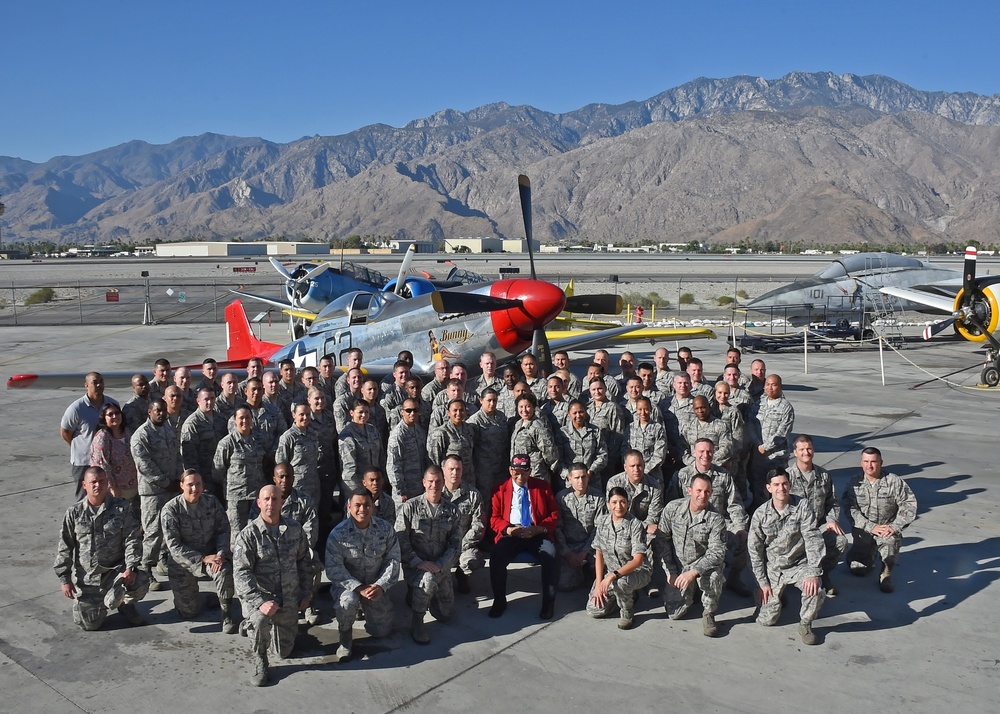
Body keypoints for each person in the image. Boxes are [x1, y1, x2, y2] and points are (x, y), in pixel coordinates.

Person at [233, 485, 313, 686]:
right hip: (261, 600)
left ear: (281, 502)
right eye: (266, 499)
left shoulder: (295, 530)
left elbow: (304, 562)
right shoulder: (248, 535)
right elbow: (241, 574)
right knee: (260, 621)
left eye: (275, 499)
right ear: (259, 503)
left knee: (284, 652)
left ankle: (266, 629)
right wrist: (260, 602)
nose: (271, 503)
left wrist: (306, 593)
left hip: (288, 600)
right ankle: (260, 659)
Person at [54, 466, 148, 630]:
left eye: (102, 481)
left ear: (107, 483)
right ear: (84, 485)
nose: (98, 485)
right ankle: (98, 603)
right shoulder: (74, 513)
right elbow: (65, 547)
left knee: (141, 581)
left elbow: (133, 539)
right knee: (90, 625)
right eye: (94, 482)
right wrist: (65, 579)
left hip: (116, 574)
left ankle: (125, 604)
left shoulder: (122, 508)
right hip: (89, 578)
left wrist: (131, 568)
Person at [748, 469, 826, 645]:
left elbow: (813, 538)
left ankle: (805, 624)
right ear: (769, 488)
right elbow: (754, 552)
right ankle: (773, 597)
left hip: (799, 564)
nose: (781, 488)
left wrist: (813, 572)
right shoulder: (760, 514)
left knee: (815, 589)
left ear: (790, 485)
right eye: (776, 485)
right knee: (767, 621)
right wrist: (763, 583)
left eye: (784, 484)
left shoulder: (803, 506)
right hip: (773, 568)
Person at [325, 487, 402, 662]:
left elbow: (393, 560)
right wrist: (358, 587)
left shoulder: (385, 529)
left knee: (382, 632)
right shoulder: (338, 534)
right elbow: (333, 568)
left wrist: (381, 585)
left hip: (375, 586)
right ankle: (345, 637)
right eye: (357, 505)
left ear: (373, 507)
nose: (362, 509)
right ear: (349, 507)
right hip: (349, 588)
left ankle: (368, 611)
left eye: (367, 505)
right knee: (348, 602)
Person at [668, 438, 750, 597]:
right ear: (694, 452)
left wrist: (740, 527)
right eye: (701, 451)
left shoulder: (723, 475)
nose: (705, 455)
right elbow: (671, 505)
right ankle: (688, 578)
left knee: (745, 540)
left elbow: (735, 504)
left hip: (719, 523)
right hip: (688, 525)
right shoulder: (682, 475)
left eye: (709, 451)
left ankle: (734, 578)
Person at [160, 469, 236, 633]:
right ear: (181, 486)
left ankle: (227, 614)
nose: (194, 489)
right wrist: (203, 558)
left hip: (211, 556)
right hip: (183, 563)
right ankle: (201, 598)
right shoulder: (170, 510)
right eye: (190, 485)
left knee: (224, 570)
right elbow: (174, 547)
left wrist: (221, 553)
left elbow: (223, 530)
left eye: (198, 484)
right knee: (188, 612)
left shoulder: (212, 502)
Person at [395, 466, 463, 644]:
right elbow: (400, 539)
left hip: (440, 567)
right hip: (415, 566)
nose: (434, 486)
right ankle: (417, 620)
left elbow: (456, 545)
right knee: (427, 581)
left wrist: (441, 565)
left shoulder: (452, 510)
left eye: (438, 482)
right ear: (424, 483)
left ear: (443, 483)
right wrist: (417, 562)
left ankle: (423, 595)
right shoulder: (410, 507)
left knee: (445, 615)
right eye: (430, 482)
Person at [488, 454, 560, 620]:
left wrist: (540, 528)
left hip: (536, 532)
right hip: (512, 533)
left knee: (550, 555)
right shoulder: (499, 490)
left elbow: (554, 513)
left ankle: (548, 604)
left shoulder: (542, 487)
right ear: (510, 470)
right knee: (497, 556)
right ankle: (499, 601)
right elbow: (494, 518)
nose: (520, 477)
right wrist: (508, 530)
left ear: (530, 471)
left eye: (524, 473)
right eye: (516, 473)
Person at [842, 447, 917, 593]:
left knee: (890, 542)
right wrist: (869, 526)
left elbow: (909, 505)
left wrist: (894, 527)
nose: (869, 466)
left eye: (874, 462)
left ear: (881, 462)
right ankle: (869, 555)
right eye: (866, 461)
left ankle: (886, 573)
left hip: (885, 529)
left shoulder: (894, 481)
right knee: (858, 570)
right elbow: (850, 509)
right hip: (864, 531)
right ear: (861, 463)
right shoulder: (854, 483)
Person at [659, 473, 726, 636]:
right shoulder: (672, 509)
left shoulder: (716, 518)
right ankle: (691, 591)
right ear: (689, 490)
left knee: (713, 578)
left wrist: (694, 572)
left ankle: (708, 613)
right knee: (674, 614)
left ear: (711, 493)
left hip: (702, 567)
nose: (702, 495)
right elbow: (662, 541)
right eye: (698, 490)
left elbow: (717, 552)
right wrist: (671, 571)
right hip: (679, 566)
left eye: (707, 492)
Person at [787, 434, 847, 595]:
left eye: (809, 448)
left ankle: (822, 574)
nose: (806, 452)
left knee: (840, 540)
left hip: (818, 527)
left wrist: (832, 520)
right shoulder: (787, 477)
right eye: (801, 449)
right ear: (795, 452)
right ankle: (784, 579)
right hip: (794, 530)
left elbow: (832, 502)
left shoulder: (824, 475)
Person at [132, 398, 181, 590]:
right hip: (153, 492)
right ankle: (145, 570)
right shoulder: (141, 436)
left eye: (163, 410)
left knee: (170, 528)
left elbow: (177, 455)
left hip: (171, 488)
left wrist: (178, 479)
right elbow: (144, 464)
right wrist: (165, 482)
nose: (161, 413)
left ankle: (164, 561)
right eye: (157, 410)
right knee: (152, 531)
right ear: (149, 412)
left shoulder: (168, 430)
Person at [586, 486, 651, 630]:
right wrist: (598, 584)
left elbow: (638, 560)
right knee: (594, 610)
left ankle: (627, 612)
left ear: (627, 504)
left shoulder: (635, 525)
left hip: (637, 572)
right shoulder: (602, 522)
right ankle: (625, 596)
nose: (618, 506)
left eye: (622, 502)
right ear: (608, 504)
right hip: (611, 573)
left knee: (621, 583)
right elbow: (599, 553)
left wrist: (611, 577)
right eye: (614, 502)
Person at [61, 372, 119, 500]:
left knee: (108, 498)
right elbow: (65, 432)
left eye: (101, 381)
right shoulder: (76, 408)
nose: (99, 385)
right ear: (86, 385)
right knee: (83, 499)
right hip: (83, 463)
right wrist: (79, 448)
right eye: (94, 382)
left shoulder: (112, 405)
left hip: (106, 462)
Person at [213, 405, 267, 540]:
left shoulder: (258, 439)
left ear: (252, 420)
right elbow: (218, 470)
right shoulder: (227, 443)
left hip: (256, 496)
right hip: (236, 498)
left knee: (257, 532)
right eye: (241, 418)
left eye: (247, 417)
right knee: (236, 535)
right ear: (235, 420)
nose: (244, 421)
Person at [555, 463, 606, 591]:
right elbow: (557, 528)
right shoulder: (561, 498)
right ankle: (578, 572)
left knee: (601, 576)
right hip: (570, 546)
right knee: (564, 585)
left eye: (583, 477)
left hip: (592, 546)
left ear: (588, 477)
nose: (581, 481)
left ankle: (588, 570)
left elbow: (599, 529)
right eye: (576, 478)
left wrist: (585, 551)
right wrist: (567, 553)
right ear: (569, 479)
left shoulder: (598, 497)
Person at [441, 454, 486, 593]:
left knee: (473, 561)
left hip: (463, 544)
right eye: (451, 469)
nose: (455, 473)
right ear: (443, 470)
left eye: (458, 469)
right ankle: (442, 579)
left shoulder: (473, 494)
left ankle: (462, 575)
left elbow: (479, 524)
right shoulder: (435, 492)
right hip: (438, 545)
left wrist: (461, 545)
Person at [748, 374, 794, 510]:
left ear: (780, 387)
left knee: (778, 490)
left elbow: (783, 432)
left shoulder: (786, 408)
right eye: (767, 384)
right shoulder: (758, 404)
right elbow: (750, 424)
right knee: (758, 489)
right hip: (758, 457)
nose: (770, 387)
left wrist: (767, 447)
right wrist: (758, 444)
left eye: (774, 385)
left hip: (776, 458)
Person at [89, 402, 138, 512]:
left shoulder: (127, 432)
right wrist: (112, 487)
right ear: (104, 418)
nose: (115, 416)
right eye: (110, 414)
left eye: (117, 413)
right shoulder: (102, 437)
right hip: (115, 491)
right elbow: (102, 465)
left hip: (133, 486)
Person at [180, 387, 228, 497]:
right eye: (206, 399)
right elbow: (189, 457)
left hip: (221, 475)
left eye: (212, 398)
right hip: (204, 477)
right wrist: (197, 480)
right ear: (198, 401)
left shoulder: (220, 419)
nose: (210, 402)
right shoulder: (192, 424)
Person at [386, 397, 429, 506]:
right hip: (405, 491)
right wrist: (401, 490)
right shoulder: (398, 435)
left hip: (419, 488)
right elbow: (393, 465)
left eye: (415, 410)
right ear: (402, 412)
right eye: (408, 410)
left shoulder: (419, 431)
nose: (412, 413)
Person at [467, 388, 510, 497]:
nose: (492, 403)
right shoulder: (474, 421)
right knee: (487, 499)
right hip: (484, 470)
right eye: (489, 400)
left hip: (502, 467)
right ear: (481, 400)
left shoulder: (501, 416)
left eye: (495, 400)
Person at [558, 400, 609, 488]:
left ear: (585, 412)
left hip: (592, 480)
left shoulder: (595, 431)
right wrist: (568, 475)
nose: (578, 415)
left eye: (581, 412)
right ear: (569, 414)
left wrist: (591, 471)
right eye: (574, 413)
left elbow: (602, 454)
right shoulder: (562, 433)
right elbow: (558, 459)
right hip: (571, 483)